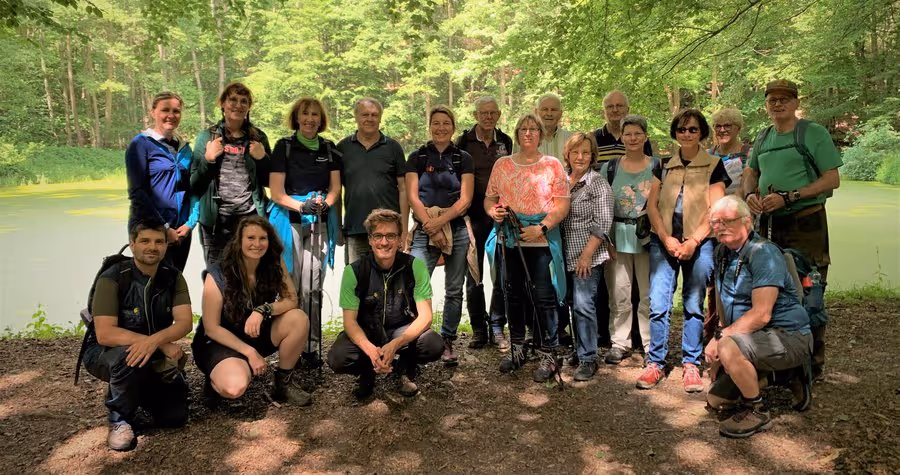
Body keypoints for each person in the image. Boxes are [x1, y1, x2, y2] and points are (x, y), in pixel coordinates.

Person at [741, 79, 842, 382]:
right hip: (771, 224)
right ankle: (780, 358)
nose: (778, 104)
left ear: (796, 103)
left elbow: (832, 179)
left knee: (810, 290)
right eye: (772, 99)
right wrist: (749, 196)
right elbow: (750, 172)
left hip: (806, 223)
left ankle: (813, 363)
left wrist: (791, 196)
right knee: (772, 289)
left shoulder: (812, 133)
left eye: (785, 99)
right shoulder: (764, 137)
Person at [705, 195, 813, 438]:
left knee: (729, 347)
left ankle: (757, 410)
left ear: (747, 221)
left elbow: (762, 315)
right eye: (714, 222)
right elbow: (726, 303)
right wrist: (719, 334)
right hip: (752, 337)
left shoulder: (763, 253)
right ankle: (779, 375)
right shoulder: (722, 253)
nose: (720, 227)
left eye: (727, 221)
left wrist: (723, 341)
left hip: (788, 335)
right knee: (715, 399)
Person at [81, 219, 193, 451]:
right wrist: (160, 345)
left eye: (159, 242)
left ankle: (136, 390)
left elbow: (185, 323)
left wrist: (154, 343)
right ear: (132, 244)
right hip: (106, 352)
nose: (152, 247)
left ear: (165, 246)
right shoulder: (112, 277)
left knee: (175, 418)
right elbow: (105, 333)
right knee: (128, 356)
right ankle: (120, 418)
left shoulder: (172, 277)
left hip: (150, 352)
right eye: (145, 241)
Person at [640, 108, 730, 392]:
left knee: (693, 304)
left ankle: (691, 364)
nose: (687, 133)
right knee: (658, 303)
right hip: (663, 243)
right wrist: (666, 238)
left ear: (701, 132)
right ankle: (655, 362)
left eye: (692, 129)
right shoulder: (663, 164)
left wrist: (693, 242)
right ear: (675, 133)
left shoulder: (713, 164)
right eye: (681, 129)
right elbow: (652, 206)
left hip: (700, 243)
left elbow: (716, 209)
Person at [191, 216, 312, 407]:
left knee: (299, 319)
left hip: (254, 332)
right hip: (220, 341)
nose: (257, 244)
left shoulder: (273, 262)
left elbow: (291, 300)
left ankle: (283, 383)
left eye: (262, 238)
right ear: (239, 241)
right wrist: (250, 352)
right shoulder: (218, 273)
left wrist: (263, 310)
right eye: (250, 238)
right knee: (234, 388)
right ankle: (216, 378)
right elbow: (211, 328)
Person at [485, 113, 570, 382]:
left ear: (540, 134)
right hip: (510, 238)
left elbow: (562, 204)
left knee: (544, 295)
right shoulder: (502, 165)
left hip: (541, 239)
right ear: (517, 133)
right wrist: (494, 213)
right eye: (523, 129)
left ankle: (550, 350)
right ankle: (517, 346)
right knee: (513, 293)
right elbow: (490, 200)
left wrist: (541, 228)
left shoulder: (553, 165)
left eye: (533, 129)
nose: (528, 133)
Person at [327, 209, 443, 399]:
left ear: (400, 239)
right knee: (337, 357)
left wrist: (396, 344)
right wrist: (370, 349)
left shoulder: (415, 267)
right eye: (378, 236)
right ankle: (368, 370)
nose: (384, 242)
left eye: (391, 236)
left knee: (433, 344)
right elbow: (349, 322)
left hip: (401, 329)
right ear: (370, 239)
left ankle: (403, 368)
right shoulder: (354, 271)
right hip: (368, 331)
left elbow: (426, 316)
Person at [268, 96, 341, 365]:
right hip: (290, 222)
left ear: (321, 119)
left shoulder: (329, 148)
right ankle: (290, 347)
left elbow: (335, 188)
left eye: (315, 115)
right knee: (291, 287)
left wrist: (324, 205)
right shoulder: (284, 147)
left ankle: (311, 348)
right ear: (297, 118)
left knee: (313, 287)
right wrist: (302, 206)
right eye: (305, 114)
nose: (311, 119)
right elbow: (276, 192)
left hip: (319, 222)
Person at [405, 105, 476, 366]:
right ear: (430, 126)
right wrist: (429, 225)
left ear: (453, 127)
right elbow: (413, 195)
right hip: (424, 230)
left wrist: (441, 223)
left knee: (454, 289)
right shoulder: (417, 157)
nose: (441, 128)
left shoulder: (463, 158)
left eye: (446, 123)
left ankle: (447, 340)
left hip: (456, 229)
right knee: (416, 285)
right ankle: (416, 338)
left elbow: (466, 199)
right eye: (436, 123)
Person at [191, 81, 272, 269]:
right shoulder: (207, 137)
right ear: (223, 104)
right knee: (217, 280)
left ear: (249, 107)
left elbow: (270, 182)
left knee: (251, 278)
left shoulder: (258, 137)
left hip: (250, 220)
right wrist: (208, 159)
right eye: (233, 100)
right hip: (215, 223)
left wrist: (263, 159)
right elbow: (194, 184)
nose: (238, 105)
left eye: (244, 101)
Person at [599, 115, 659, 365]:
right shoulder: (610, 168)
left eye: (637, 133)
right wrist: (605, 240)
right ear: (621, 137)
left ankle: (649, 343)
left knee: (648, 293)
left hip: (647, 237)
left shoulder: (657, 166)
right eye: (628, 134)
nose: (632, 138)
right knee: (619, 292)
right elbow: (602, 206)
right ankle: (620, 342)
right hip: (617, 236)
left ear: (645, 136)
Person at [456, 96, 513, 351]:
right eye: (483, 113)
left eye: (493, 113)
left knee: (502, 273)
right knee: (474, 274)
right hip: (473, 217)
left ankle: (498, 326)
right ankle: (479, 327)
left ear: (499, 115)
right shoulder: (463, 142)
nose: (488, 117)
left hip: (500, 216)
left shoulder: (506, 141)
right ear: (476, 114)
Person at [125, 91, 198, 271]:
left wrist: (190, 223)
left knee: (174, 284)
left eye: (176, 111)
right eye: (165, 110)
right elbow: (137, 192)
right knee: (150, 285)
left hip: (180, 231)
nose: (171, 116)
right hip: (149, 230)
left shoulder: (185, 148)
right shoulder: (141, 144)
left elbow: (194, 189)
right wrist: (164, 228)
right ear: (153, 112)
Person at [560, 132, 613, 381]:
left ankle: (589, 358)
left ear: (593, 156)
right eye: (575, 152)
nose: (580, 157)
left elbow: (602, 223)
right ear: (567, 155)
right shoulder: (561, 180)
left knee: (584, 305)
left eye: (585, 152)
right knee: (571, 303)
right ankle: (579, 349)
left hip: (588, 255)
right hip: (563, 254)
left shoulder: (598, 183)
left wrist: (586, 256)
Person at [339, 98, 409, 264]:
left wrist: (404, 230)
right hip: (355, 228)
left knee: (390, 282)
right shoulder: (342, 148)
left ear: (380, 118)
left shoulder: (393, 148)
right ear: (356, 117)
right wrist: (337, 228)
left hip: (389, 231)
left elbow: (403, 189)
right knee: (358, 283)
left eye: (374, 115)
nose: (369, 119)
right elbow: (335, 190)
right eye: (365, 114)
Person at [593, 90, 654, 164]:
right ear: (604, 112)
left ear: (628, 110)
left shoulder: (639, 139)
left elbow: (648, 167)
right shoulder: (592, 138)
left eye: (619, 106)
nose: (615, 110)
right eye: (610, 106)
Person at [515, 94, 572, 163]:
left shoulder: (571, 139)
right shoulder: (524, 139)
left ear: (560, 113)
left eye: (553, 110)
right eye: (545, 109)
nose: (549, 113)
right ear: (536, 112)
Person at [709, 107, 750, 195]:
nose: (722, 130)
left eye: (727, 126)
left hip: (741, 206)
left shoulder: (750, 154)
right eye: (718, 126)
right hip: (714, 206)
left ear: (738, 129)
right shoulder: (707, 155)